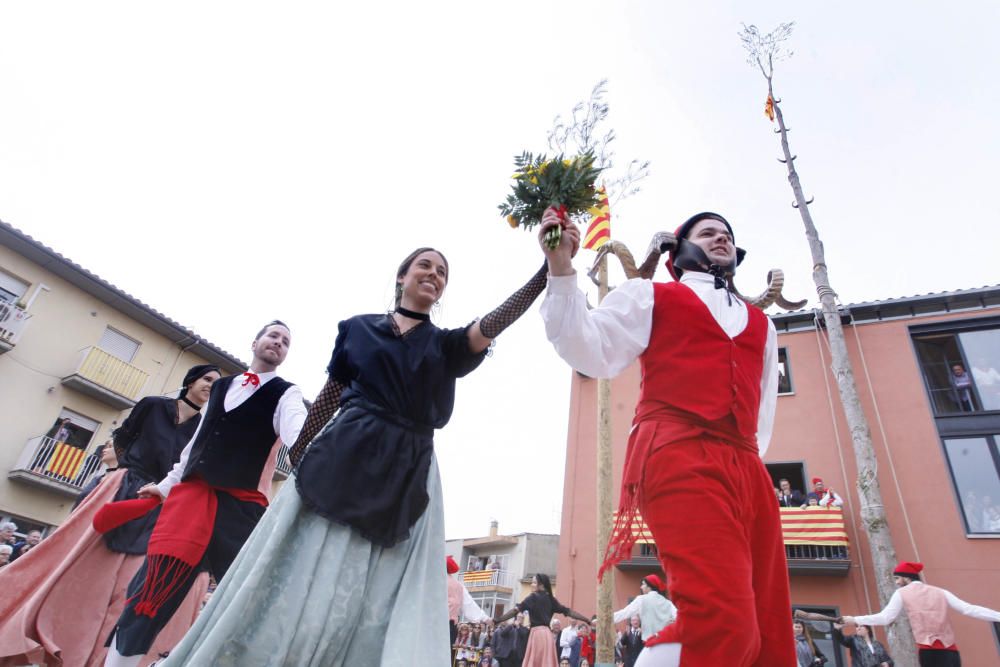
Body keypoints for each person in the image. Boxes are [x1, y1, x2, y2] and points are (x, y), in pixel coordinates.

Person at [159, 249, 549, 666]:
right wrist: (300, 455)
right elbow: (329, 396)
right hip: (340, 453)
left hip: (406, 467)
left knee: (374, 593)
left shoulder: (445, 344)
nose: (434, 275)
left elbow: (494, 322)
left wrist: (545, 272)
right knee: (298, 569)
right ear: (401, 276)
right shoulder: (358, 329)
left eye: (442, 272)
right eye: (425, 266)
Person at [539, 209, 794, 666]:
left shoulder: (763, 324)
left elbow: (764, 410)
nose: (721, 238)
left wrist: (750, 473)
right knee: (725, 620)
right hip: (677, 453)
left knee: (769, 629)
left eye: (728, 235)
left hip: (747, 470)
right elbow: (588, 347)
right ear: (682, 247)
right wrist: (561, 269)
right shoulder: (651, 296)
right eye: (709, 232)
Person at [101, 324, 305, 667]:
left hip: (240, 512)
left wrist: (315, 444)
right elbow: (196, 444)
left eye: (286, 342)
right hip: (190, 501)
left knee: (246, 601)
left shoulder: (287, 393)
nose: (278, 343)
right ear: (255, 342)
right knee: (151, 593)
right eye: (273, 336)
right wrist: (166, 486)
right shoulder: (222, 386)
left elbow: (297, 433)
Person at [0, 363, 221, 667]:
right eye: (207, 379)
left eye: (215, 383)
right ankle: (31, 629)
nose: (210, 385)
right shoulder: (154, 405)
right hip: (122, 487)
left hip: (156, 503)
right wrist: (121, 472)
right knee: (74, 566)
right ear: (191, 381)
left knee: (128, 586)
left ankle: (96, 658)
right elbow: (123, 436)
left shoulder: (203, 429)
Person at [843, 561, 1000, 666]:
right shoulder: (941, 592)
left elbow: (885, 618)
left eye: (898, 578)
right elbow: (969, 609)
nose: (897, 582)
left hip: (928, 652)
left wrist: (854, 619)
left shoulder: (902, 593)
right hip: (951, 651)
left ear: (906, 578)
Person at [496, 573, 591, 667]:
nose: (532, 585)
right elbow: (569, 612)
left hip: (537, 635)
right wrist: (586, 620)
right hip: (547, 635)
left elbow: (514, 611)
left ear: (541, 585)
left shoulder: (532, 597)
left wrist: (497, 620)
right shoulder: (551, 599)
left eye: (534, 583)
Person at [613, 574, 677, 644]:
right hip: (666, 644)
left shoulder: (641, 600)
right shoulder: (668, 603)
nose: (641, 587)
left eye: (643, 584)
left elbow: (624, 613)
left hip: (650, 645)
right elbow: (679, 619)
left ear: (649, 586)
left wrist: (605, 618)